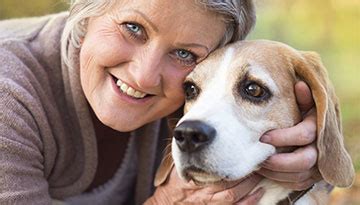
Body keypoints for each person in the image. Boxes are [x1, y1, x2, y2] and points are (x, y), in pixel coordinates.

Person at [0, 0, 321, 204]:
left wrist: (308, 164)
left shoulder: (188, 103)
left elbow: (333, 179)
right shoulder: (8, 97)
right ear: (85, 15)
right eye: (133, 28)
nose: (144, 77)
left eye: (185, 54)